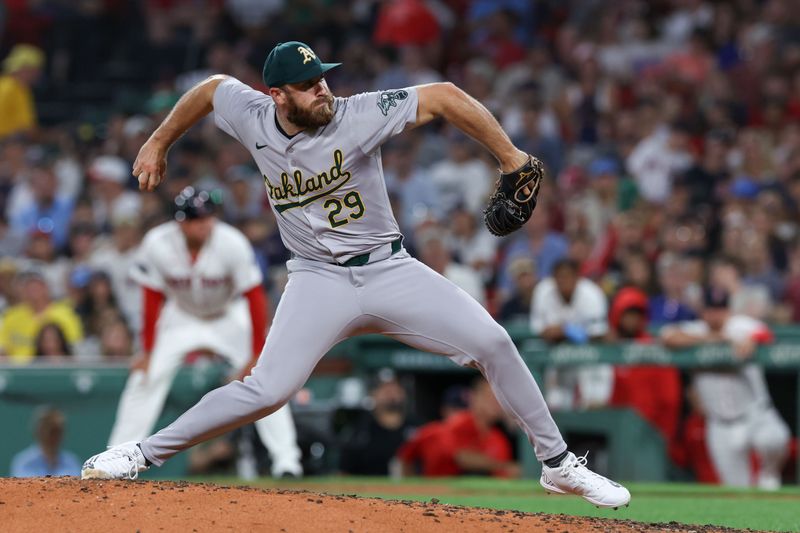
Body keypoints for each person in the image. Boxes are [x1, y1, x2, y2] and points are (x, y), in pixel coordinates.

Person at [81, 41, 629, 509]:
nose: (322, 90)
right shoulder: (250, 115)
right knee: (267, 391)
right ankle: (139, 453)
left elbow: (442, 96)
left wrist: (510, 158)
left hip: (389, 269)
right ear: (277, 96)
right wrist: (159, 140)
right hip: (316, 279)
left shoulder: (358, 113)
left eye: (321, 78)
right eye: (307, 85)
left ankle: (557, 463)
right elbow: (211, 87)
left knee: (493, 340)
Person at [104, 187, 303, 478]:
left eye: (209, 216)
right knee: (144, 376)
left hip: (227, 314)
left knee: (265, 378)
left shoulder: (231, 242)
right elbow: (151, 296)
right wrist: (147, 350)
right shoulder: (157, 243)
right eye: (199, 218)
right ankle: (116, 457)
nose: (206, 223)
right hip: (180, 316)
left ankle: (287, 462)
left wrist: (256, 351)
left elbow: (254, 296)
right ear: (181, 222)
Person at [660, 288, 791, 490]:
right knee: (737, 489)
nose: (715, 314)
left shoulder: (741, 326)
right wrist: (709, 340)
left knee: (775, 438)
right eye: (711, 309)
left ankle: (769, 473)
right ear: (703, 311)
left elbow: (766, 333)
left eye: (720, 309)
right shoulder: (696, 330)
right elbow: (667, 336)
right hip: (720, 423)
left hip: (755, 414)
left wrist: (752, 339)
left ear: (728, 310)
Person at [530, 258, 612, 410]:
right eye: (560, 276)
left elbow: (600, 334)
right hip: (557, 354)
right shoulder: (543, 291)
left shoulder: (592, 294)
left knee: (594, 402)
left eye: (568, 276)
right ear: (553, 278)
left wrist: (566, 330)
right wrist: (563, 332)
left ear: (577, 277)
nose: (564, 280)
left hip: (589, 355)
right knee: (555, 404)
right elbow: (540, 330)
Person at [397, 377, 518, 478]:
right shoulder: (459, 423)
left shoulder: (498, 438)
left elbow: (504, 476)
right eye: (489, 397)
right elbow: (460, 456)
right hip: (437, 493)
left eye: (499, 398)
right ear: (475, 398)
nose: (495, 402)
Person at [339, 369, 417, 476]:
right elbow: (344, 472)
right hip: (365, 490)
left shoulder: (416, 427)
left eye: (395, 387)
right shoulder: (360, 429)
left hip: (411, 490)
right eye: (385, 389)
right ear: (373, 393)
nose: (391, 393)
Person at [0, 269, 83, 362]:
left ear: (46, 287)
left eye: (36, 286)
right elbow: (3, 348)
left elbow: (74, 348)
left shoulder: (65, 314)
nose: (32, 290)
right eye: (28, 286)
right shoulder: (11, 315)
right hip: (18, 371)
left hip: (52, 368)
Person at [10, 407, 81, 477]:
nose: (54, 437)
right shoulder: (24, 461)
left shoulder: (72, 461)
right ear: (38, 432)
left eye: (58, 431)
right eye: (51, 431)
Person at [0, 44, 44, 139]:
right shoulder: (15, 89)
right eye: (36, 70)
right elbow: (29, 130)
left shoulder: (5, 84)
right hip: (6, 145)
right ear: (25, 69)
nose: (38, 74)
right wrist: (52, 136)